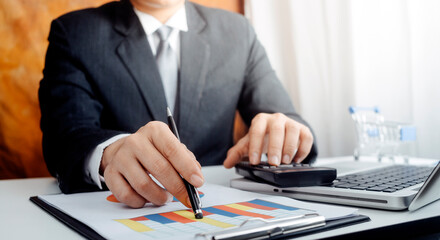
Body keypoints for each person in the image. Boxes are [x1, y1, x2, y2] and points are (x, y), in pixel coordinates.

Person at [39, 0, 317, 209]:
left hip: (222, 211)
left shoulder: (237, 32)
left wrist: (287, 134)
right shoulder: (75, 32)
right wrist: (111, 153)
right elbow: (64, 137)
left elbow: (286, 118)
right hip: (123, 211)